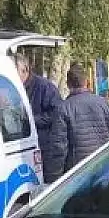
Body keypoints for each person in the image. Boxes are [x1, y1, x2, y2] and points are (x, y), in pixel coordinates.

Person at [14, 54, 67, 183]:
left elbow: (56, 115)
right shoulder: (13, 87)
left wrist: (30, 120)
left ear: (25, 70)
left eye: (14, 72)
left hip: (44, 148)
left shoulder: (44, 87)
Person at [61, 64, 109, 171]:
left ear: (68, 84)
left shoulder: (63, 108)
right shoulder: (105, 103)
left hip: (77, 171)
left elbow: (59, 147)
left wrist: (53, 177)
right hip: (104, 165)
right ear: (87, 82)